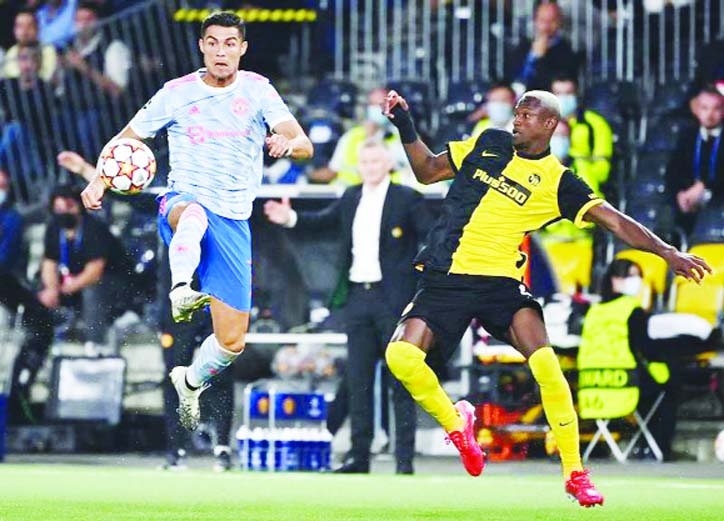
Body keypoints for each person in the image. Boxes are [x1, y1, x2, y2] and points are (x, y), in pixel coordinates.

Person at [380, 88, 711, 507]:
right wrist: (405, 123)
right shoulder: (487, 143)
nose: (516, 120)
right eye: (516, 112)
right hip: (445, 276)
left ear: (549, 124)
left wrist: (666, 252)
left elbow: (614, 221)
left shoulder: (559, 182)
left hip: (500, 282)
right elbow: (427, 171)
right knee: (401, 358)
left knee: (547, 367)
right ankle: (456, 422)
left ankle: (575, 473)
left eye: (526, 114)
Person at [80, 11, 313, 432]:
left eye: (230, 43)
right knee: (194, 214)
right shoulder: (176, 92)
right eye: (213, 42)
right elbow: (128, 138)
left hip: (235, 220)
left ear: (242, 49)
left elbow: (304, 144)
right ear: (202, 46)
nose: (221, 51)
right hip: (183, 200)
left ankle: (189, 381)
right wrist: (99, 180)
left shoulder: (259, 91)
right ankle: (181, 288)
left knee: (231, 342)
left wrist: (286, 141)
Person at [264, 138, 431, 474]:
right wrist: (290, 217)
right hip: (358, 297)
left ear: (388, 164)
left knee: (402, 381)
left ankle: (404, 461)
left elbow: (431, 237)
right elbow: (322, 222)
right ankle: (358, 456)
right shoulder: (350, 196)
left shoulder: (407, 199)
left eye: (376, 161)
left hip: (394, 302)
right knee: (358, 380)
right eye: (365, 162)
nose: (370, 167)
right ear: (358, 166)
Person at [578, 258, 722, 461]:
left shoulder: (593, 311)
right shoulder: (630, 309)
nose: (636, 281)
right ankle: (657, 448)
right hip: (625, 384)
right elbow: (646, 348)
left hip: (592, 388)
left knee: (654, 383)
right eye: (631, 275)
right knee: (669, 384)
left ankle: (645, 446)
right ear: (615, 279)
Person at [157, 246, 235, 472]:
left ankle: (222, 447)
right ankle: (176, 448)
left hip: (217, 298)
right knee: (174, 373)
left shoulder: (223, 213)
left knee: (221, 372)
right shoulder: (175, 214)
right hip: (181, 300)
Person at [39, 184, 137, 349]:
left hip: (112, 282)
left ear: (79, 206)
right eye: (58, 208)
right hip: (74, 281)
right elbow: (49, 261)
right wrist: (51, 289)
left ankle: (95, 343)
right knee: (40, 288)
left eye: (69, 206)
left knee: (92, 290)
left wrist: (65, 288)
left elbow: (94, 271)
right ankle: (41, 339)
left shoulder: (94, 228)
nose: (63, 212)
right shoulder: (53, 228)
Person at [0, 169, 54, 424]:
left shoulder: (11, 218)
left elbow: (5, 259)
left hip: (6, 282)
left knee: (40, 320)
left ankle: (19, 393)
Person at [308, 87, 411, 186]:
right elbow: (333, 170)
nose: (377, 109)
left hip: (389, 196)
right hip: (350, 194)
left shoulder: (401, 136)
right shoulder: (351, 136)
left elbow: (406, 170)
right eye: (372, 105)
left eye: (381, 104)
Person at [666, 85, 724, 235]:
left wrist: (705, 188)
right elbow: (673, 173)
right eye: (705, 108)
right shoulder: (687, 137)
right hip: (689, 209)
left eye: (716, 108)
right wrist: (680, 195)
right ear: (696, 110)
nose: (710, 114)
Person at [550, 76, 614, 199]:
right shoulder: (540, 123)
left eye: (568, 93)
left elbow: (602, 167)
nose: (563, 98)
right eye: (558, 93)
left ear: (577, 94)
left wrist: (583, 171)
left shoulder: (595, 123)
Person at [507, 2, 580, 94]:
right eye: (542, 20)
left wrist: (539, 58)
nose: (546, 25)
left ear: (559, 22)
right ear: (535, 21)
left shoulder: (567, 52)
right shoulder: (523, 46)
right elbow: (511, 75)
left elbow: (557, 84)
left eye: (552, 20)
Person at [3, 9, 59, 82]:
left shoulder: (47, 49)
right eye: (20, 26)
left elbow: (47, 76)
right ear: (14, 30)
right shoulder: (11, 53)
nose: (24, 31)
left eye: (29, 26)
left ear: (37, 29)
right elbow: (12, 80)